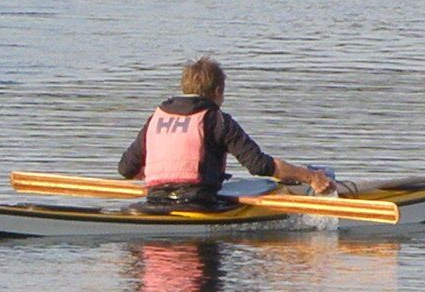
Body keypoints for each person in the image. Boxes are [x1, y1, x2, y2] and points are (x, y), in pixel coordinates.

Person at [117, 57, 336, 208]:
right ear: (218, 91)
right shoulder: (217, 120)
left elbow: (126, 169)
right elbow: (260, 165)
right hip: (198, 204)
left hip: (155, 201)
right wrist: (311, 177)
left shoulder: (157, 117)